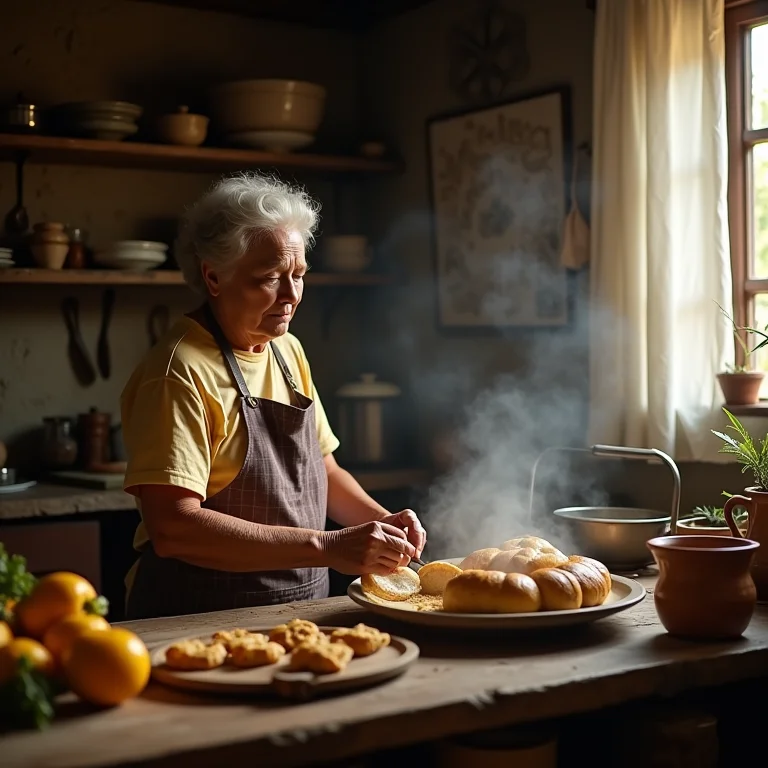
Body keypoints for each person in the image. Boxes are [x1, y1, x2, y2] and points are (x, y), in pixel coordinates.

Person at [120, 172, 426, 619]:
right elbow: (173, 527)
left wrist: (382, 522)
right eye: (268, 278)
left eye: (298, 274)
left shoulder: (286, 349)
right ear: (214, 277)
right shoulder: (178, 371)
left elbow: (324, 472)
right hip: (200, 616)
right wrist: (326, 545)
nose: (291, 296)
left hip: (304, 608)